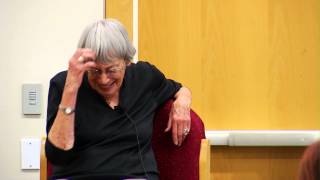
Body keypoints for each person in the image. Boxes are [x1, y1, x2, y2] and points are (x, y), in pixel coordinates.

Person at [45, 19, 192, 180]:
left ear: (127, 61)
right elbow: (56, 156)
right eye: (94, 70)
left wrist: (183, 102)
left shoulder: (144, 77)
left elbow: (179, 88)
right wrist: (71, 89)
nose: (103, 79)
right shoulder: (64, 84)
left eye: (112, 70)